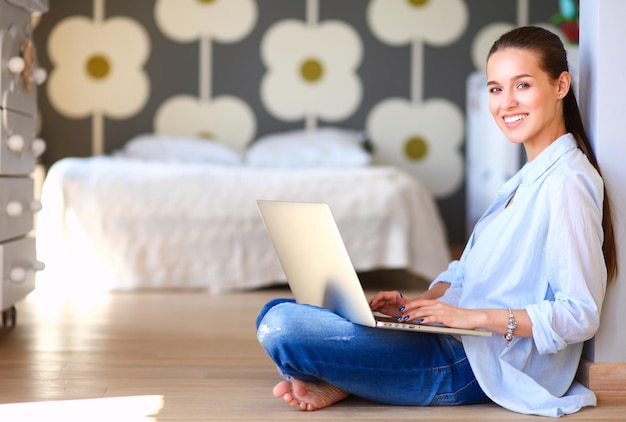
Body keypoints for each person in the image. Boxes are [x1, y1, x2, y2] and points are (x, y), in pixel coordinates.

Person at [255, 26, 617, 417]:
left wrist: (471, 317)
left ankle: (343, 377)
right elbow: (468, 272)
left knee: (282, 326)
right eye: (496, 89)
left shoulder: (569, 184)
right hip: (458, 340)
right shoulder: (526, 180)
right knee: (272, 309)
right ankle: (350, 376)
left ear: (561, 85)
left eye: (522, 85)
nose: (506, 103)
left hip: (481, 366)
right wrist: (421, 306)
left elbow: (580, 313)